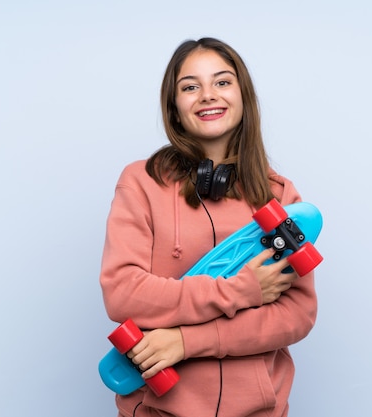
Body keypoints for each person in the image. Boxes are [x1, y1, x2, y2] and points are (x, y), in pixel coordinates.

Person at [100, 37, 317, 417]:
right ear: (174, 107)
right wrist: (240, 290)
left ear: (242, 96)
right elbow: (123, 292)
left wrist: (186, 342)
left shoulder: (280, 196)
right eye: (190, 87)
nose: (207, 95)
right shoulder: (141, 182)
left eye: (221, 81)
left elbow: (297, 315)